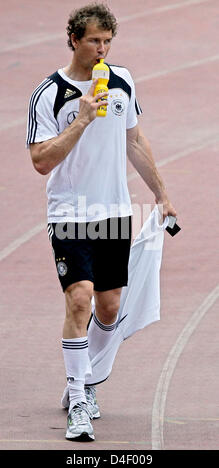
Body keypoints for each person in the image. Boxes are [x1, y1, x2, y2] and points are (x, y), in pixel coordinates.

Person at [26, 3, 177, 442]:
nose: (101, 50)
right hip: (70, 213)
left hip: (113, 213)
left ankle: (87, 380)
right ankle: (78, 400)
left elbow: (134, 139)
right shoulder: (49, 93)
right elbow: (40, 160)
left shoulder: (122, 81)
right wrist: (84, 118)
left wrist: (161, 193)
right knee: (80, 300)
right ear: (73, 39)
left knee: (109, 309)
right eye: (94, 40)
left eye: (108, 42)